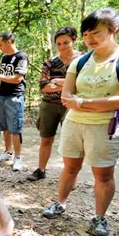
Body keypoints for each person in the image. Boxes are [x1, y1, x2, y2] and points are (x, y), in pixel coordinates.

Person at [42, 8, 119, 236]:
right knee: (70, 167)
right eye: (86, 34)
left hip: (107, 126)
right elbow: (65, 97)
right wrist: (94, 103)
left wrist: (81, 101)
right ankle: (60, 203)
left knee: (103, 174)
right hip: (75, 124)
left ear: (114, 30)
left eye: (96, 33)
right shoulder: (80, 62)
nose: (89, 39)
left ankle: (100, 217)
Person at [27, 27, 81, 181]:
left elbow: (83, 85)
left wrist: (57, 82)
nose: (62, 46)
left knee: (70, 142)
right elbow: (44, 87)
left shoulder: (82, 60)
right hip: (49, 105)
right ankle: (41, 170)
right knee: (46, 139)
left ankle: (69, 176)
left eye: (66, 42)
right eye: (59, 43)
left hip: (71, 106)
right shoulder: (50, 62)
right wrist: (69, 84)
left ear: (74, 41)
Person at [0, 32, 28, 171]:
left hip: (15, 96)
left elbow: (17, 78)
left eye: (1, 44)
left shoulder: (21, 57)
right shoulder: (5, 58)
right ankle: (8, 151)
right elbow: (4, 75)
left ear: (9, 41)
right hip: (2, 95)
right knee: (4, 126)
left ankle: (17, 157)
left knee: (15, 128)